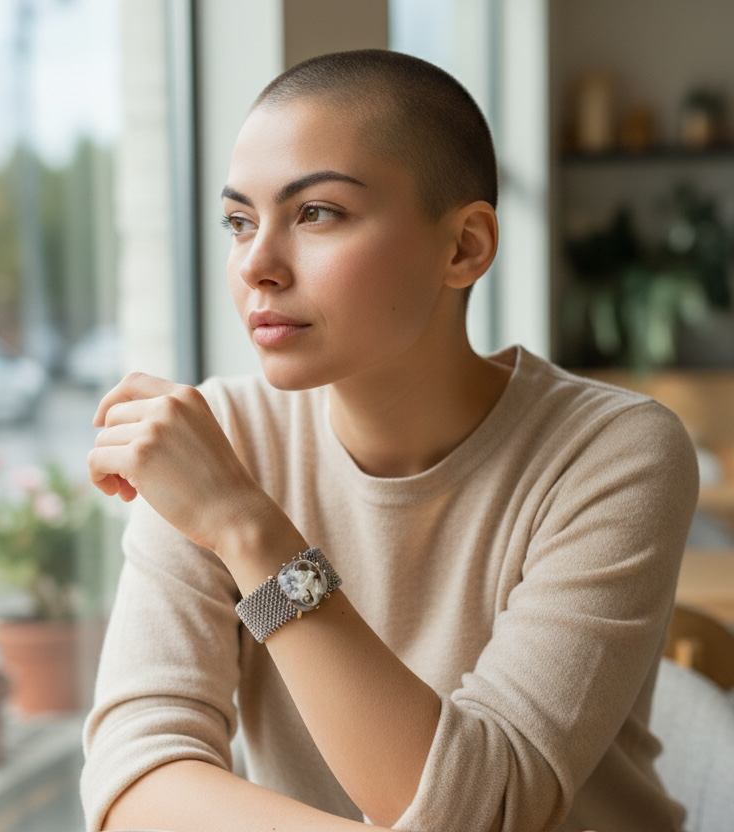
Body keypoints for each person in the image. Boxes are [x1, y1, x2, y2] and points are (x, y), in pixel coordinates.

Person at [81, 49, 698, 832]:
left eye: (317, 213)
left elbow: (488, 810)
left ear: (464, 247)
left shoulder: (615, 453)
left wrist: (245, 528)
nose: (257, 266)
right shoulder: (217, 438)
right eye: (240, 221)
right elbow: (134, 779)